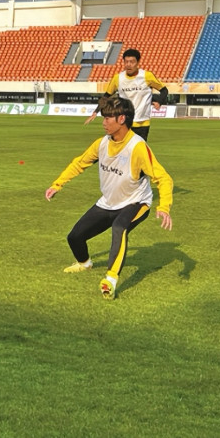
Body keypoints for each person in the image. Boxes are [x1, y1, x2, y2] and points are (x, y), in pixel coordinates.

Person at [46, 97, 174, 300]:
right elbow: (79, 163)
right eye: (103, 117)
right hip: (108, 202)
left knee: (119, 228)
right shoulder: (102, 143)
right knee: (74, 237)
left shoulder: (137, 147)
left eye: (108, 118)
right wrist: (57, 184)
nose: (103, 122)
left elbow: (163, 178)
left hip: (136, 202)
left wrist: (164, 206)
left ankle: (110, 280)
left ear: (122, 119)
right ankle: (85, 263)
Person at [84, 48, 168, 141]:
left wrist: (159, 101)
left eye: (132, 62)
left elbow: (164, 90)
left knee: (138, 149)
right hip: (123, 122)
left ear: (138, 62)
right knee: (120, 148)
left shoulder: (147, 76)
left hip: (142, 123)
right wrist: (96, 111)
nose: (128, 64)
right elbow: (106, 96)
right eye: (126, 62)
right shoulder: (118, 78)